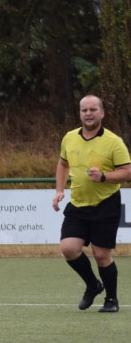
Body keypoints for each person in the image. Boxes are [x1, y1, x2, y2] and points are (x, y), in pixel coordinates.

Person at [52, 94, 130, 313]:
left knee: (102, 255)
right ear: (80, 113)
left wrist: (104, 177)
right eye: (84, 110)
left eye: (93, 109)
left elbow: (127, 172)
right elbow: (62, 164)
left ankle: (111, 300)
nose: (88, 113)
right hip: (78, 205)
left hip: (106, 204)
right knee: (68, 248)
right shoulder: (69, 138)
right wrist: (59, 190)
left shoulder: (114, 142)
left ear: (102, 113)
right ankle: (93, 285)